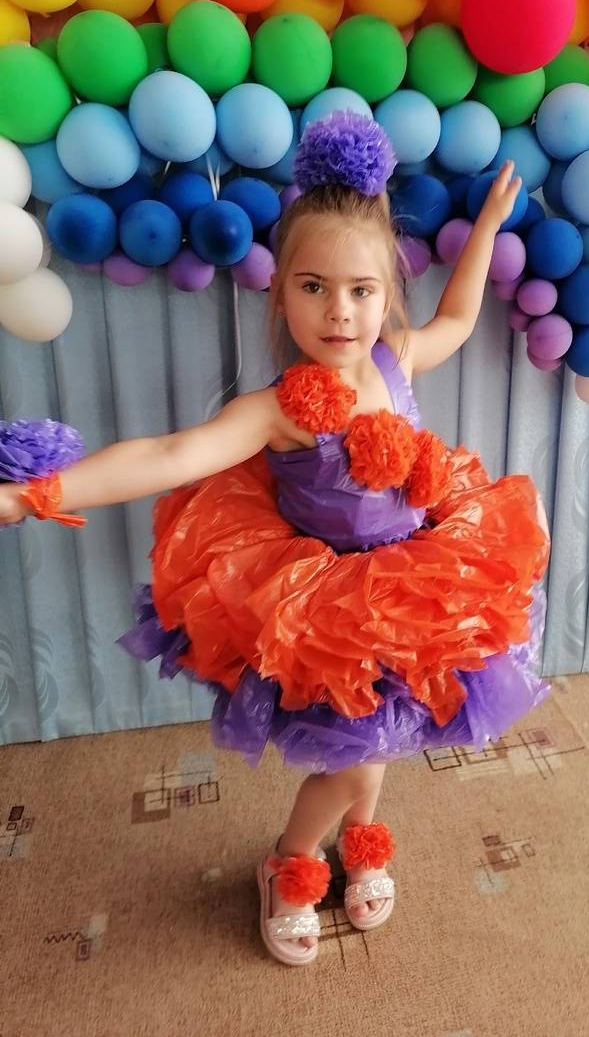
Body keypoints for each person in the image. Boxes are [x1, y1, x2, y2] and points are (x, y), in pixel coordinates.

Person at [0, 113, 551, 967]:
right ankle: (289, 860)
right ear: (280, 293)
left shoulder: (398, 360)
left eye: (362, 290)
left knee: (385, 731)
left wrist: (485, 228)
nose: (340, 312)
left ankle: (360, 839)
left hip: (416, 580)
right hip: (325, 605)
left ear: (386, 295)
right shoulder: (278, 410)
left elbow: (458, 315)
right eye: (314, 287)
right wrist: (40, 492)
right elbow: (171, 455)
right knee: (357, 749)